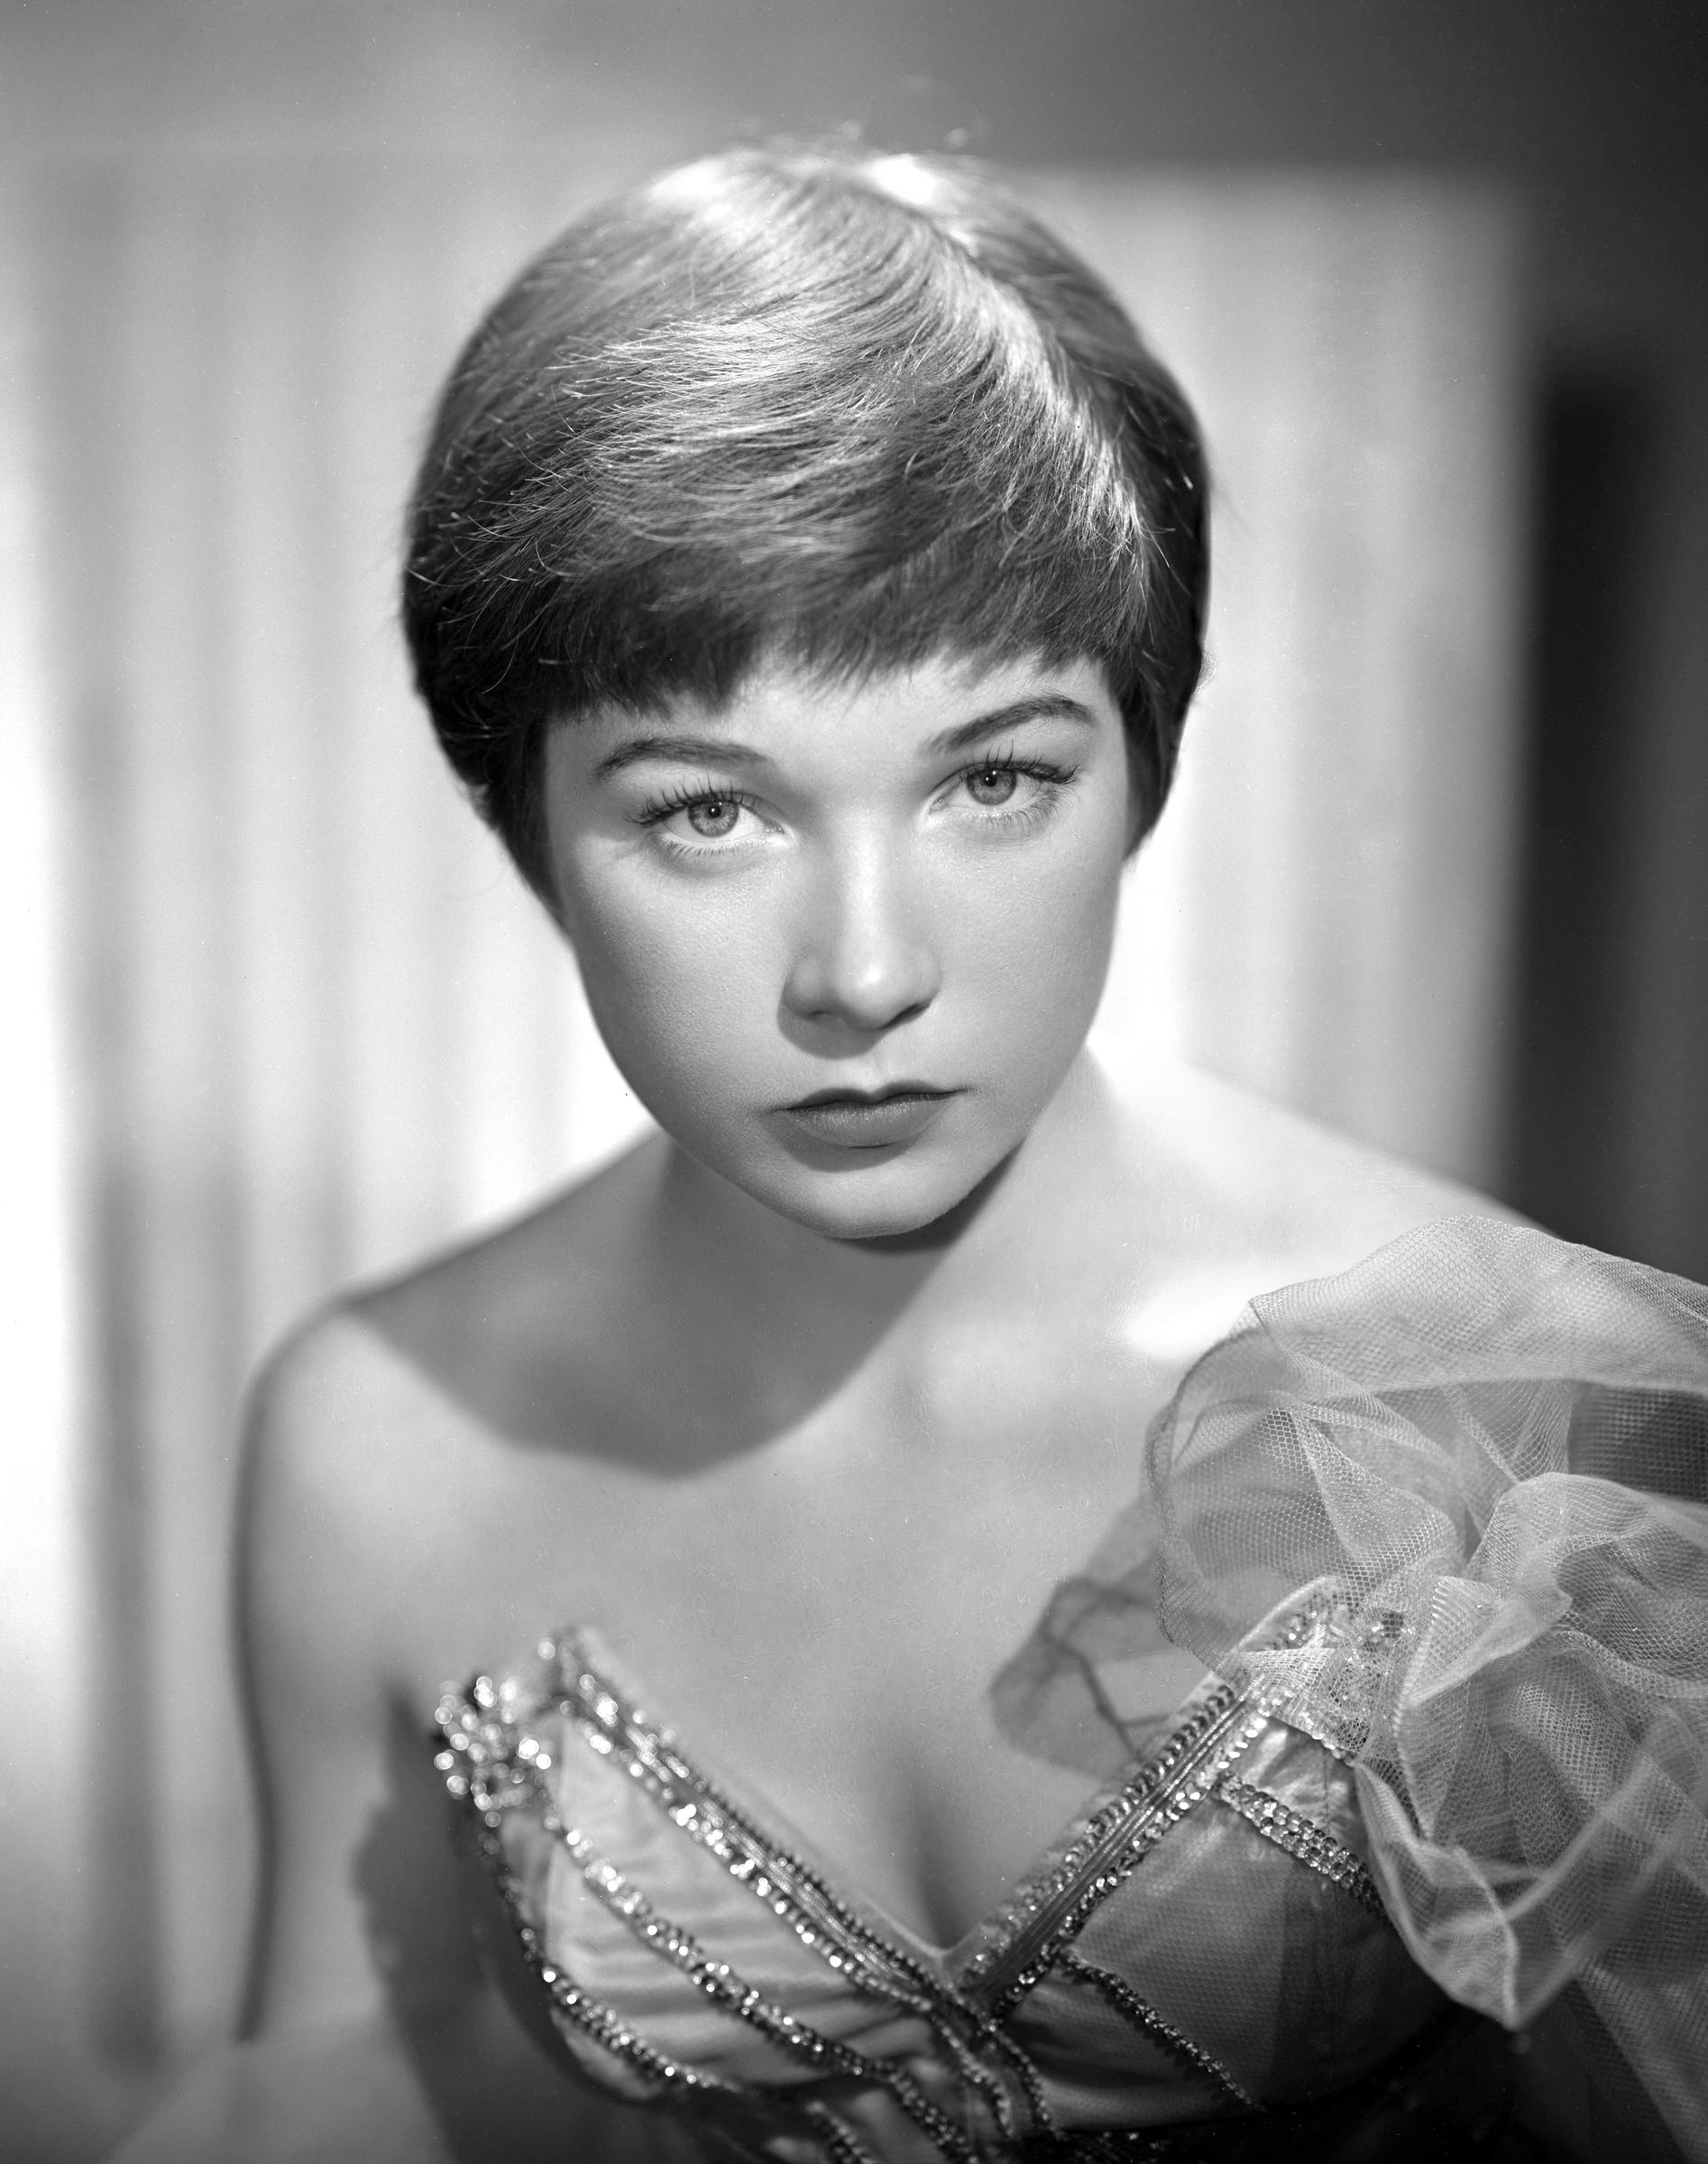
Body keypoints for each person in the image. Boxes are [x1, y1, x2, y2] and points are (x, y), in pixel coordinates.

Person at [115, 147, 1708, 2164]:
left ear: (1142, 766)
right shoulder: (384, 1437)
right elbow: (349, 2080)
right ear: (526, 829)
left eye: (993, 777)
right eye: (708, 812)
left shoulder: (1521, 1409)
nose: (863, 971)